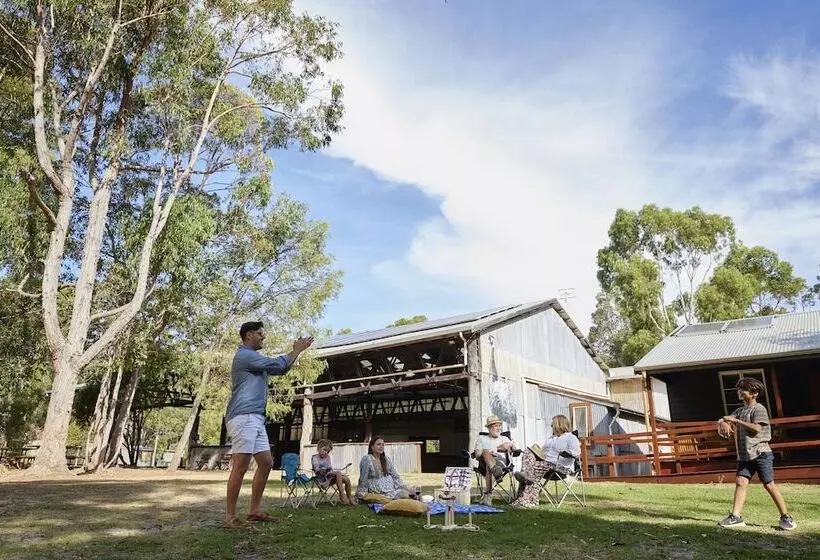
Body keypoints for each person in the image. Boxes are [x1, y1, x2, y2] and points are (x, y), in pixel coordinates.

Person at [222, 321, 313, 529]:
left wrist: (295, 353)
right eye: (260, 333)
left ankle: (254, 511)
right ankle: (229, 517)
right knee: (241, 466)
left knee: (266, 463)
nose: (263, 337)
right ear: (248, 335)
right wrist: (296, 350)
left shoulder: (252, 357)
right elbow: (278, 365)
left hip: (255, 417)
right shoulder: (245, 356)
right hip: (244, 415)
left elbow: (282, 369)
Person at [717, 378, 796, 530]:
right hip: (745, 456)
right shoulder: (740, 411)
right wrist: (722, 422)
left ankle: (786, 517)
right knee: (741, 482)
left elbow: (757, 428)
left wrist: (736, 422)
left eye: (743, 389)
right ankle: (736, 517)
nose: (739, 391)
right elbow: (726, 418)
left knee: (769, 485)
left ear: (754, 393)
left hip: (761, 454)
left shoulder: (759, 409)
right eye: (739, 389)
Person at [510, 414, 580, 508]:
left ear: (559, 424)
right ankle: (523, 491)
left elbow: (576, 453)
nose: (551, 426)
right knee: (528, 452)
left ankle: (528, 500)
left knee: (533, 469)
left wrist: (564, 452)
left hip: (561, 467)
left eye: (553, 424)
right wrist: (537, 451)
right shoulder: (551, 439)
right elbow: (543, 452)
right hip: (545, 464)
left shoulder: (570, 437)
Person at [473, 415, 519, 505]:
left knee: (489, 467)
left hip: (501, 465)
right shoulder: (481, 439)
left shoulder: (504, 439)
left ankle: (488, 495)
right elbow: (477, 455)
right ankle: (494, 469)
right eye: (495, 426)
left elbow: (515, 450)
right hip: (484, 464)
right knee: (486, 453)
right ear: (489, 428)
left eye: (499, 426)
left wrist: (511, 445)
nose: (498, 428)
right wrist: (494, 449)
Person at [355, 436, 410, 500]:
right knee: (403, 498)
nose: (381, 446)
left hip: (391, 489)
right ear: (372, 447)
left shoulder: (386, 459)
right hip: (377, 492)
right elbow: (363, 478)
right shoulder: (367, 459)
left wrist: (404, 487)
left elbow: (395, 476)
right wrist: (361, 494)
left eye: (383, 445)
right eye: (378, 444)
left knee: (409, 495)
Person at [312, 439, 355, 505]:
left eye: (328, 451)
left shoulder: (327, 457)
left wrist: (330, 471)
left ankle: (350, 498)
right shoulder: (315, 457)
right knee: (338, 473)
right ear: (318, 448)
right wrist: (319, 469)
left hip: (330, 477)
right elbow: (316, 467)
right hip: (322, 479)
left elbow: (330, 468)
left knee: (347, 479)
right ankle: (342, 495)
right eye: (324, 450)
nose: (326, 452)